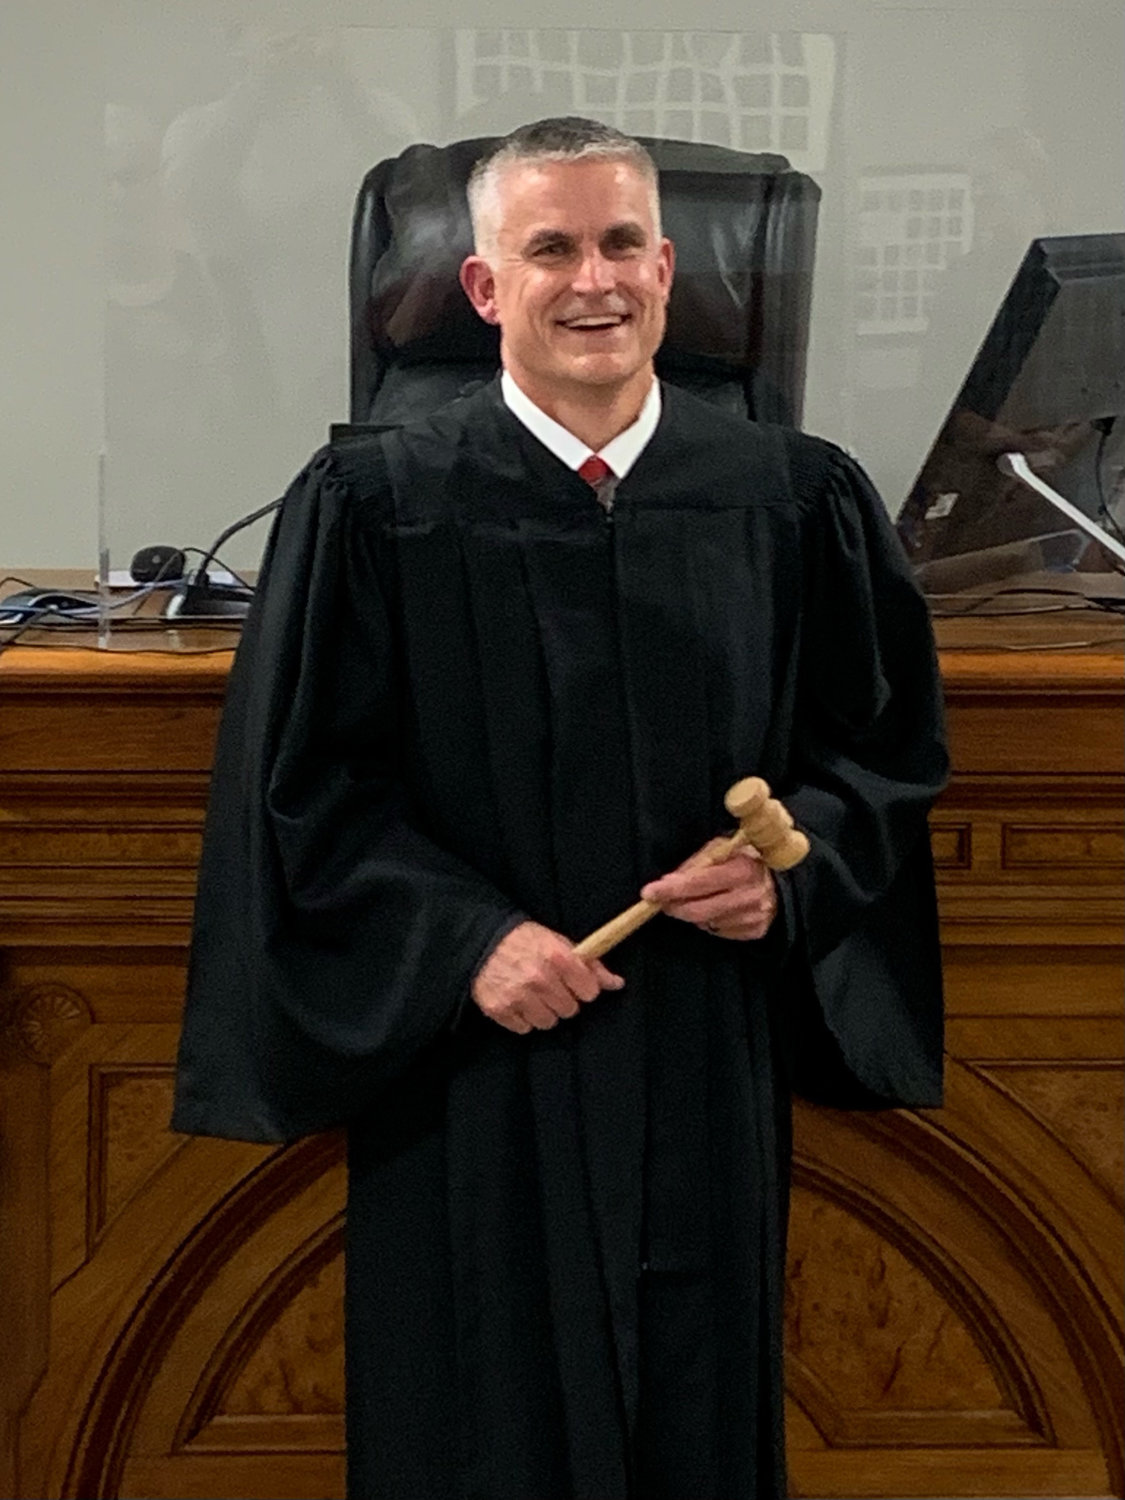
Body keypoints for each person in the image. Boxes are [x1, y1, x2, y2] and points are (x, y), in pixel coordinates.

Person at [173, 117, 948, 1499]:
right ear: (482, 290)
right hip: (471, 1060)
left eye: (617, 246)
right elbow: (300, 789)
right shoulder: (374, 503)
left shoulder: (789, 498)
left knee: (695, 1409)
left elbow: (878, 750)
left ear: (667, 269)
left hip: (702, 1049)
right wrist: (461, 941)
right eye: (548, 250)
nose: (590, 280)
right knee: (476, 1413)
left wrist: (794, 874)